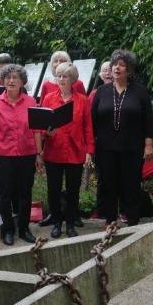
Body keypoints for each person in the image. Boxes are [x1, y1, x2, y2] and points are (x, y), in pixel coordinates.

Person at [91, 49, 153, 227]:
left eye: (122, 65)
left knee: (131, 185)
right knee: (109, 185)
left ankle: (132, 221)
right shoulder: (101, 92)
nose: (117, 68)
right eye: (114, 65)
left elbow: (148, 121)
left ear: (129, 70)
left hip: (132, 147)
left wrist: (148, 145)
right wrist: (90, 146)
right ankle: (111, 221)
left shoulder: (140, 91)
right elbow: (93, 121)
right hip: (105, 148)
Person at [0, 64, 43, 245]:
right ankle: (8, 229)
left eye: (15, 78)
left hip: (27, 154)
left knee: (25, 193)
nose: (11, 81)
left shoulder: (30, 102)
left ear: (22, 82)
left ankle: (24, 228)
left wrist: (38, 153)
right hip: (3, 155)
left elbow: (36, 129)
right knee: (4, 194)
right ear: (3, 80)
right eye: (8, 77)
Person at [41, 62, 94, 238]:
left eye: (65, 76)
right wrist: (47, 131)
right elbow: (41, 125)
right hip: (54, 150)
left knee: (73, 190)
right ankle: (57, 223)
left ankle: (70, 223)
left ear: (73, 79)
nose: (61, 79)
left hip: (75, 151)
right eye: (58, 76)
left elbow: (88, 127)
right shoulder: (49, 99)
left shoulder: (83, 100)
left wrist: (89, 151)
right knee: (53, 189)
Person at [88, 60, 112, 220]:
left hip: (121, 141)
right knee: (103, 177)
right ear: (100, 74)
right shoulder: (95, 94)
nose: (108, 72)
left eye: (110, 69)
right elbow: (90, 120)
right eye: (104, 70)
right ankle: (101, 209)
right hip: (101, 141)